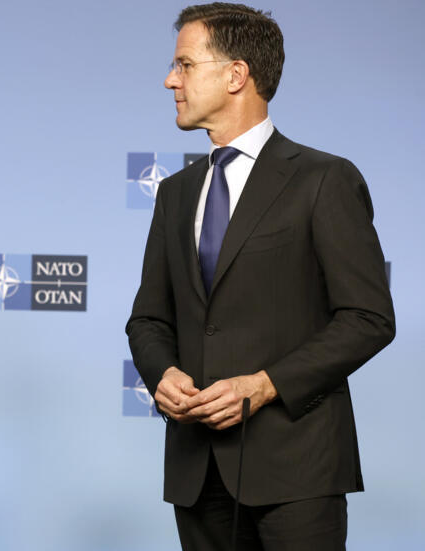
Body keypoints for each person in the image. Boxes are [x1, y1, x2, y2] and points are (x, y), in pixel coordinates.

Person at [126, 3, 395, 549]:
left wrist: (265, 384)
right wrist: (163, 374)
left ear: (236, 75)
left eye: (183, 64)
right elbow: (149, 318)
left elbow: (368, 318)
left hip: (296, 471)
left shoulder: (325, 179)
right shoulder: (174, 193)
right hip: (196, 474)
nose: (168, 79)